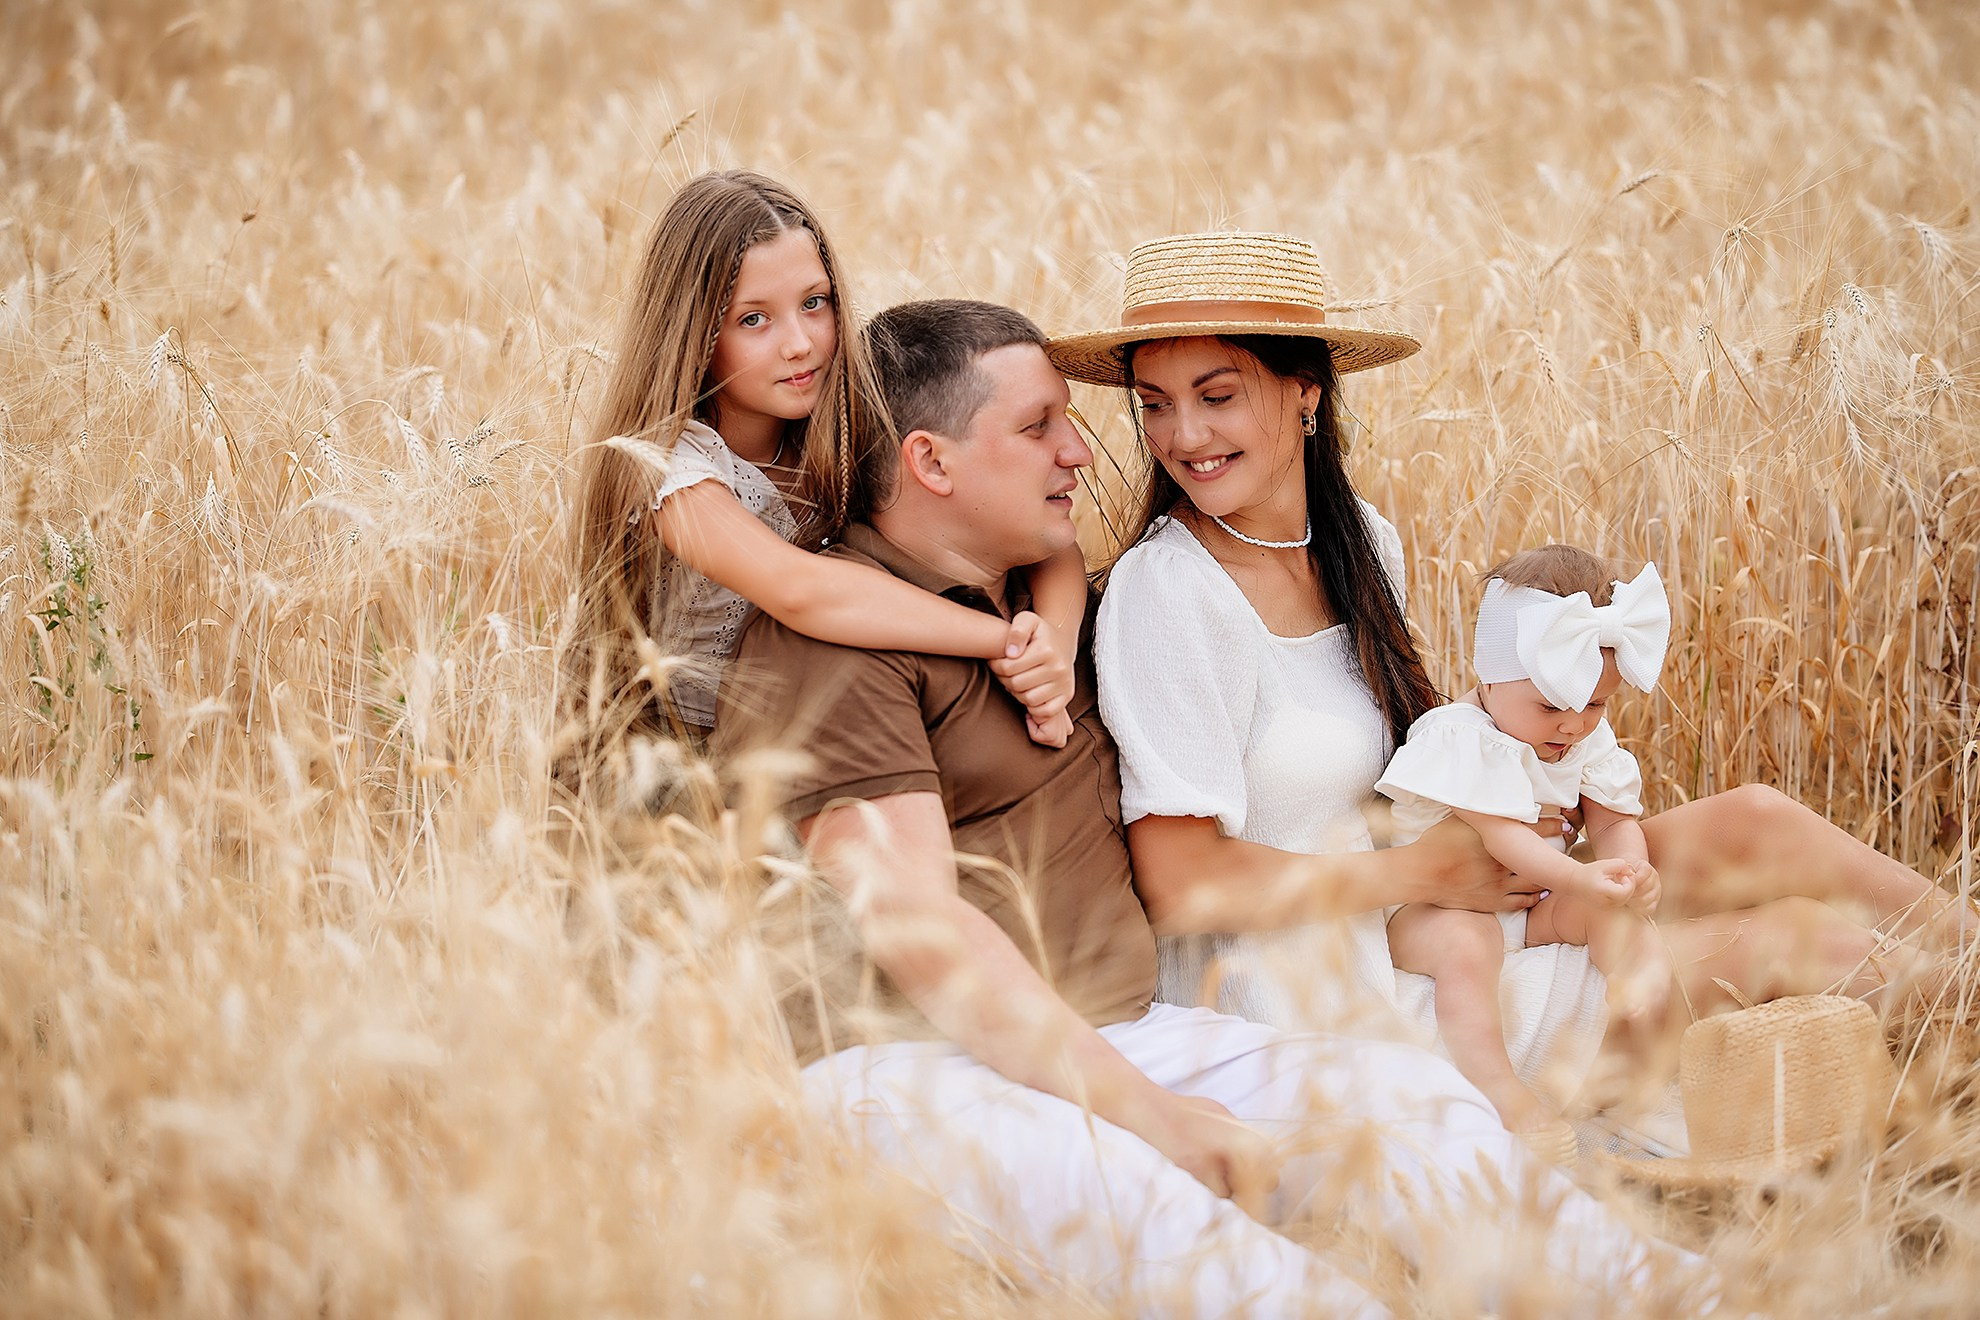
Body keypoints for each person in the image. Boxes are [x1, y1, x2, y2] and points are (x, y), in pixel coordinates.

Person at [718, 298, 1723, 1316]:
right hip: (910, 1064)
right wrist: (1153, 1116)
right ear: (932, 465)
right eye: (1038, 429)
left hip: (1113, 1027)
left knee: (1411, 1102)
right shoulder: (834, 643)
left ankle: (1685, 1302)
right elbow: (918, 926)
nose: (1083, 451)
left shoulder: (1018, 594)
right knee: (1217, 1258)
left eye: (1073, 418)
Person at [1058, 230, 1967, 1134]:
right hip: (1338, 989)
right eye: (1156, 405)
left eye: (1216, 396)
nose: (1183, 436)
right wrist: (1426, 872)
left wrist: (1515, 804)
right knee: (1804, 942)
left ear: (1307, 391)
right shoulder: (1166, 590)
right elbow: (1179, 885)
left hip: (1438, 902)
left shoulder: (1362, 542)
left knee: (1760, 821)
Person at [565, 170, 1084, 758]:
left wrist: (1054, 653)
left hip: (832, 726)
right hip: (684, 763)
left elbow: (1044, 531)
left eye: (815, 304)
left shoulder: (841, 420)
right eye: (753, 319)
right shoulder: (669, 467)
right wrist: (1006, 643)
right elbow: (801, 591)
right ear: (694, 333)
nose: (800, 343)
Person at [1379, 547, 1677, 1162]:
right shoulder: (1461, 736)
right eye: (1550, 707)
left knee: (1608, 912)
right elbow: (1505, 839)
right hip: (1435, 914)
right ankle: (1498, 1088)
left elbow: (1615, 817)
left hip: (1531, 905)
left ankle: (1645, 1000)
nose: (1572, 726)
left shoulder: (1580, 739)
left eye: (1595, 705)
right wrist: (1580, 876)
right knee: (1470, 945)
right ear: (1489, 680)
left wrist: (1628, 870)